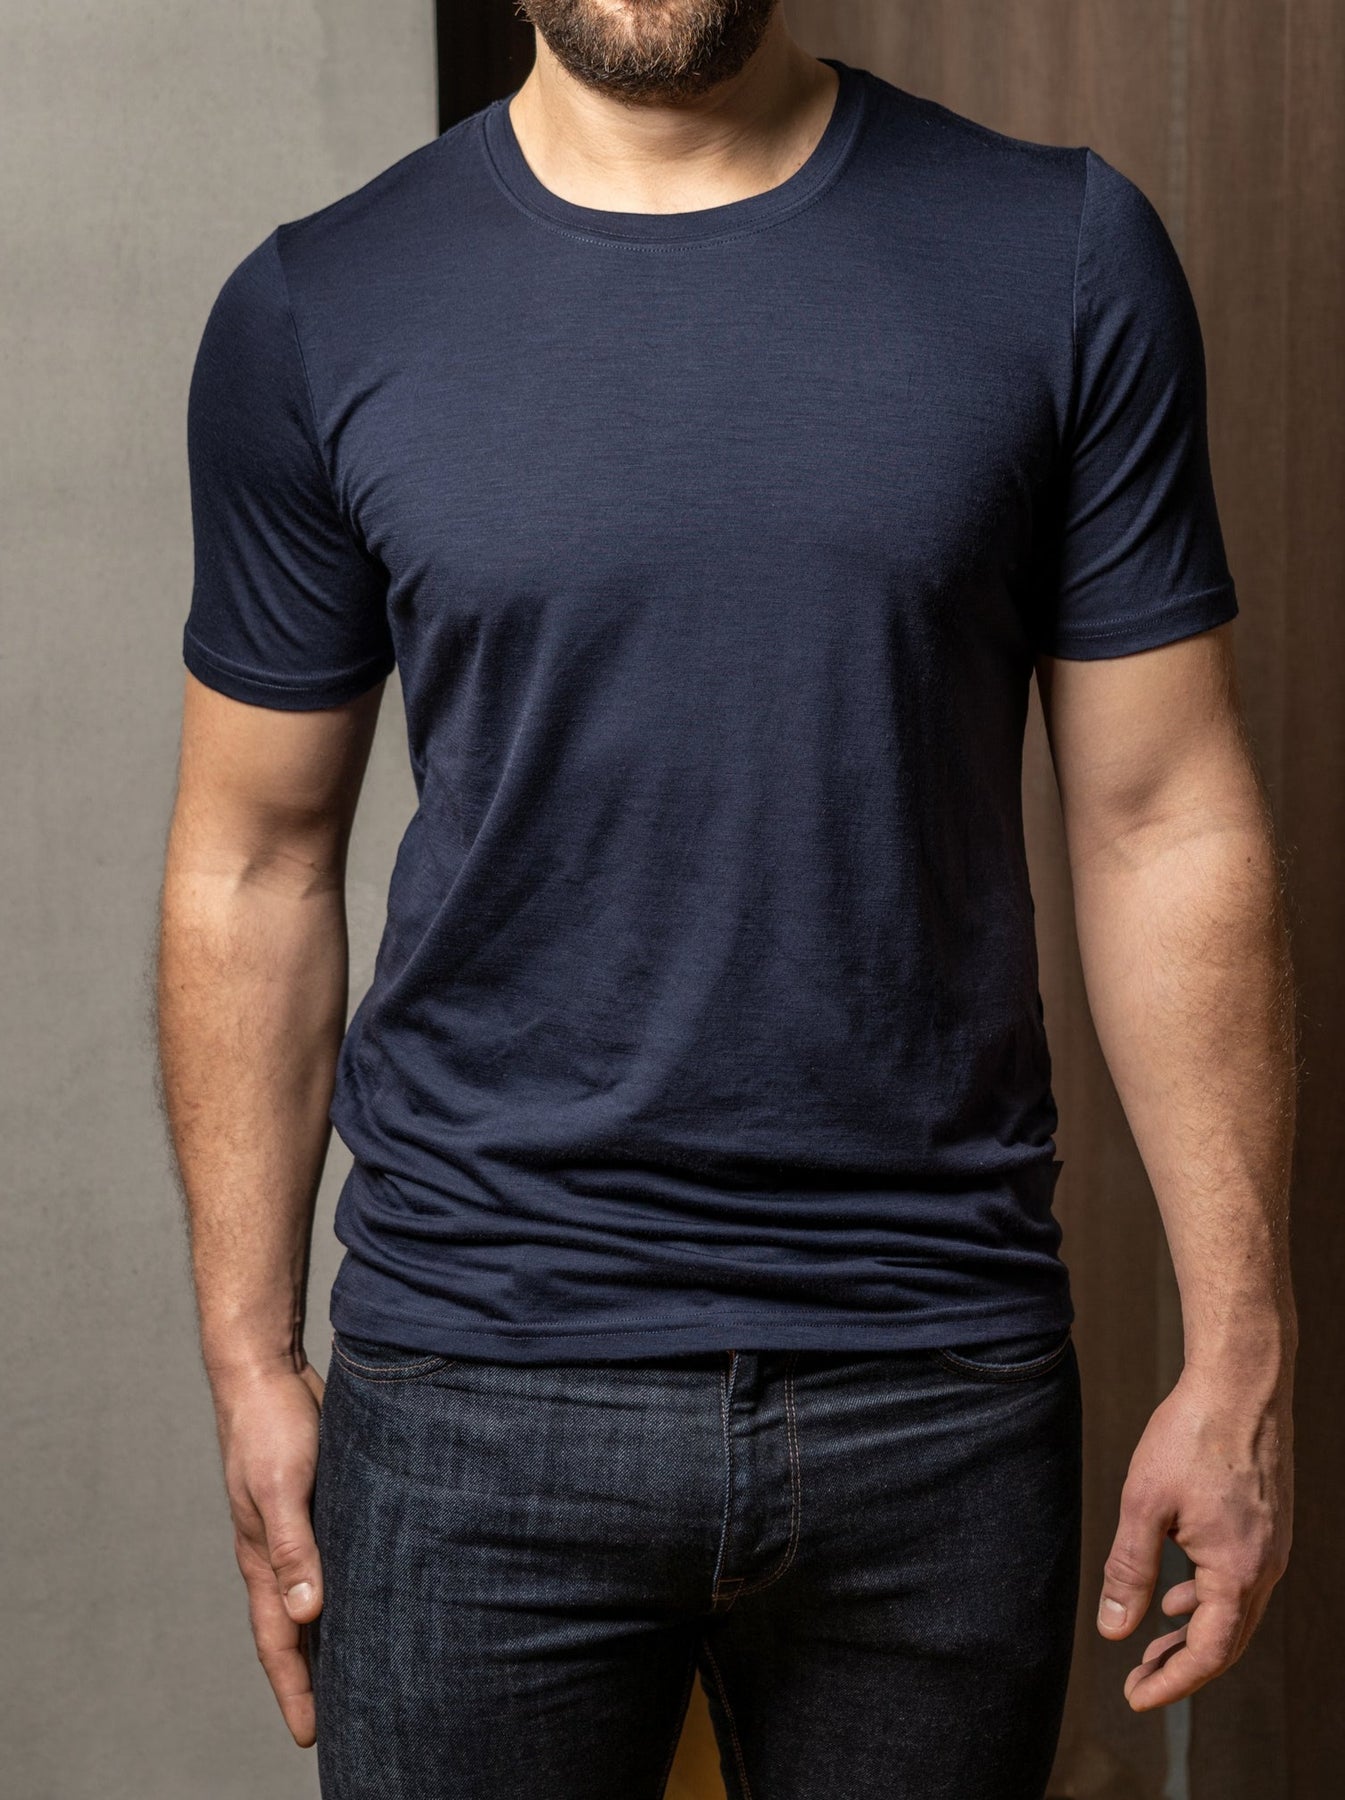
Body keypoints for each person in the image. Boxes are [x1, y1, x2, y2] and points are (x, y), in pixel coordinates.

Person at [156, 3, 1297, 1796]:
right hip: (474, 1388)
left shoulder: (1060, 253)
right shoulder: (320, 305)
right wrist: (246, 1359)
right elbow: (250, 861)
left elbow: (1163, 820)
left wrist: (1238, 1352)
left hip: (934, 1382)